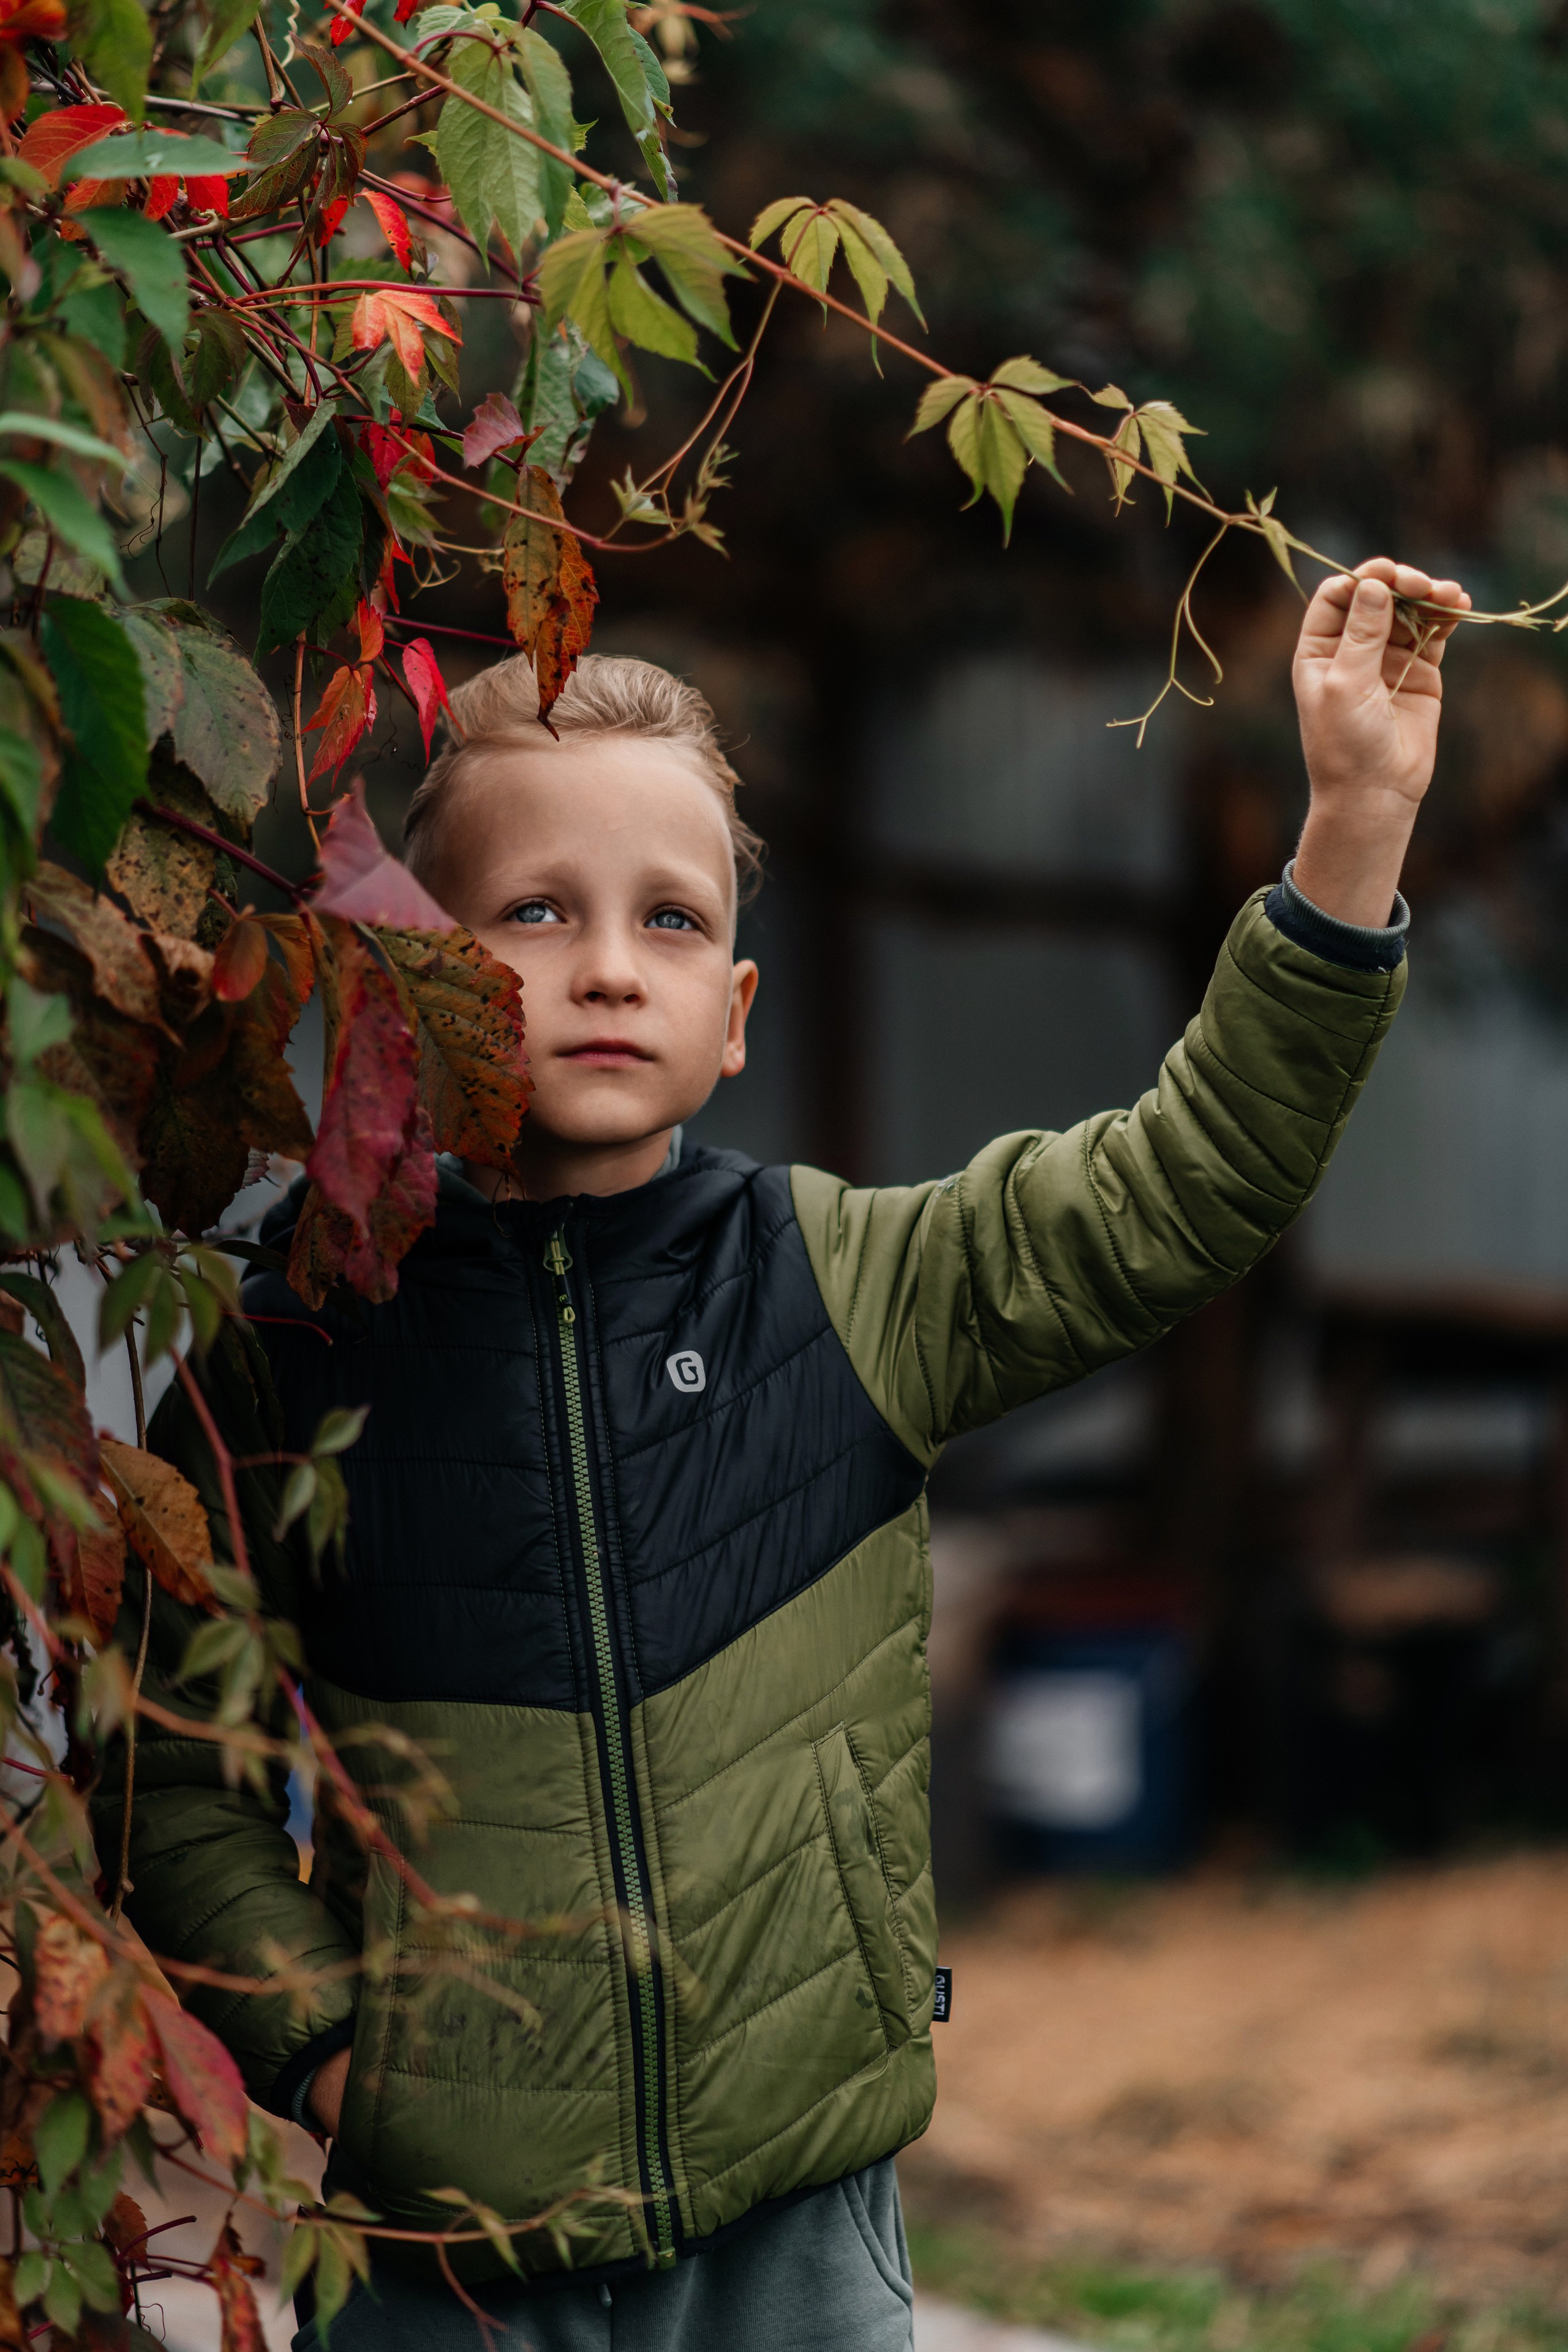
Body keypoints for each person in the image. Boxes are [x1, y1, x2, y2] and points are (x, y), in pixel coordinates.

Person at [95, 557, 1467, 2350]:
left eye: (668, 922)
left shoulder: (851, 1290)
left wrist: (1355, 823)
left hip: (797, 2245)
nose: (603, 968)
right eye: (531, 913)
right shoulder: (288, 1340)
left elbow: (1183, 1183)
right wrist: (335, 2056)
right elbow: (161, 1759)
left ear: (735, 1016)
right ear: (400, 980)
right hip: (448, 2257)